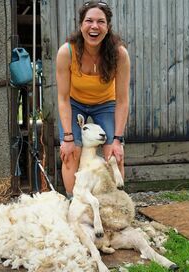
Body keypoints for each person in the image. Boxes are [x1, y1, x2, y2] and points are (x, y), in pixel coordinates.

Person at [56, 0, 130, 199]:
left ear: (108, 27)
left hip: (105, 104)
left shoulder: (119, 54)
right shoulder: (67, 52)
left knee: (114, 155)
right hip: (74, 103)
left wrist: (117, 140)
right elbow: (62, 98)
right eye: (89, 21)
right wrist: (68, 138)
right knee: (70, 154)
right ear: (81, 25)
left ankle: (114, 204)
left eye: (101, 21)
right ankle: (75, 202)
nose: (94, 26)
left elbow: (122, 100)